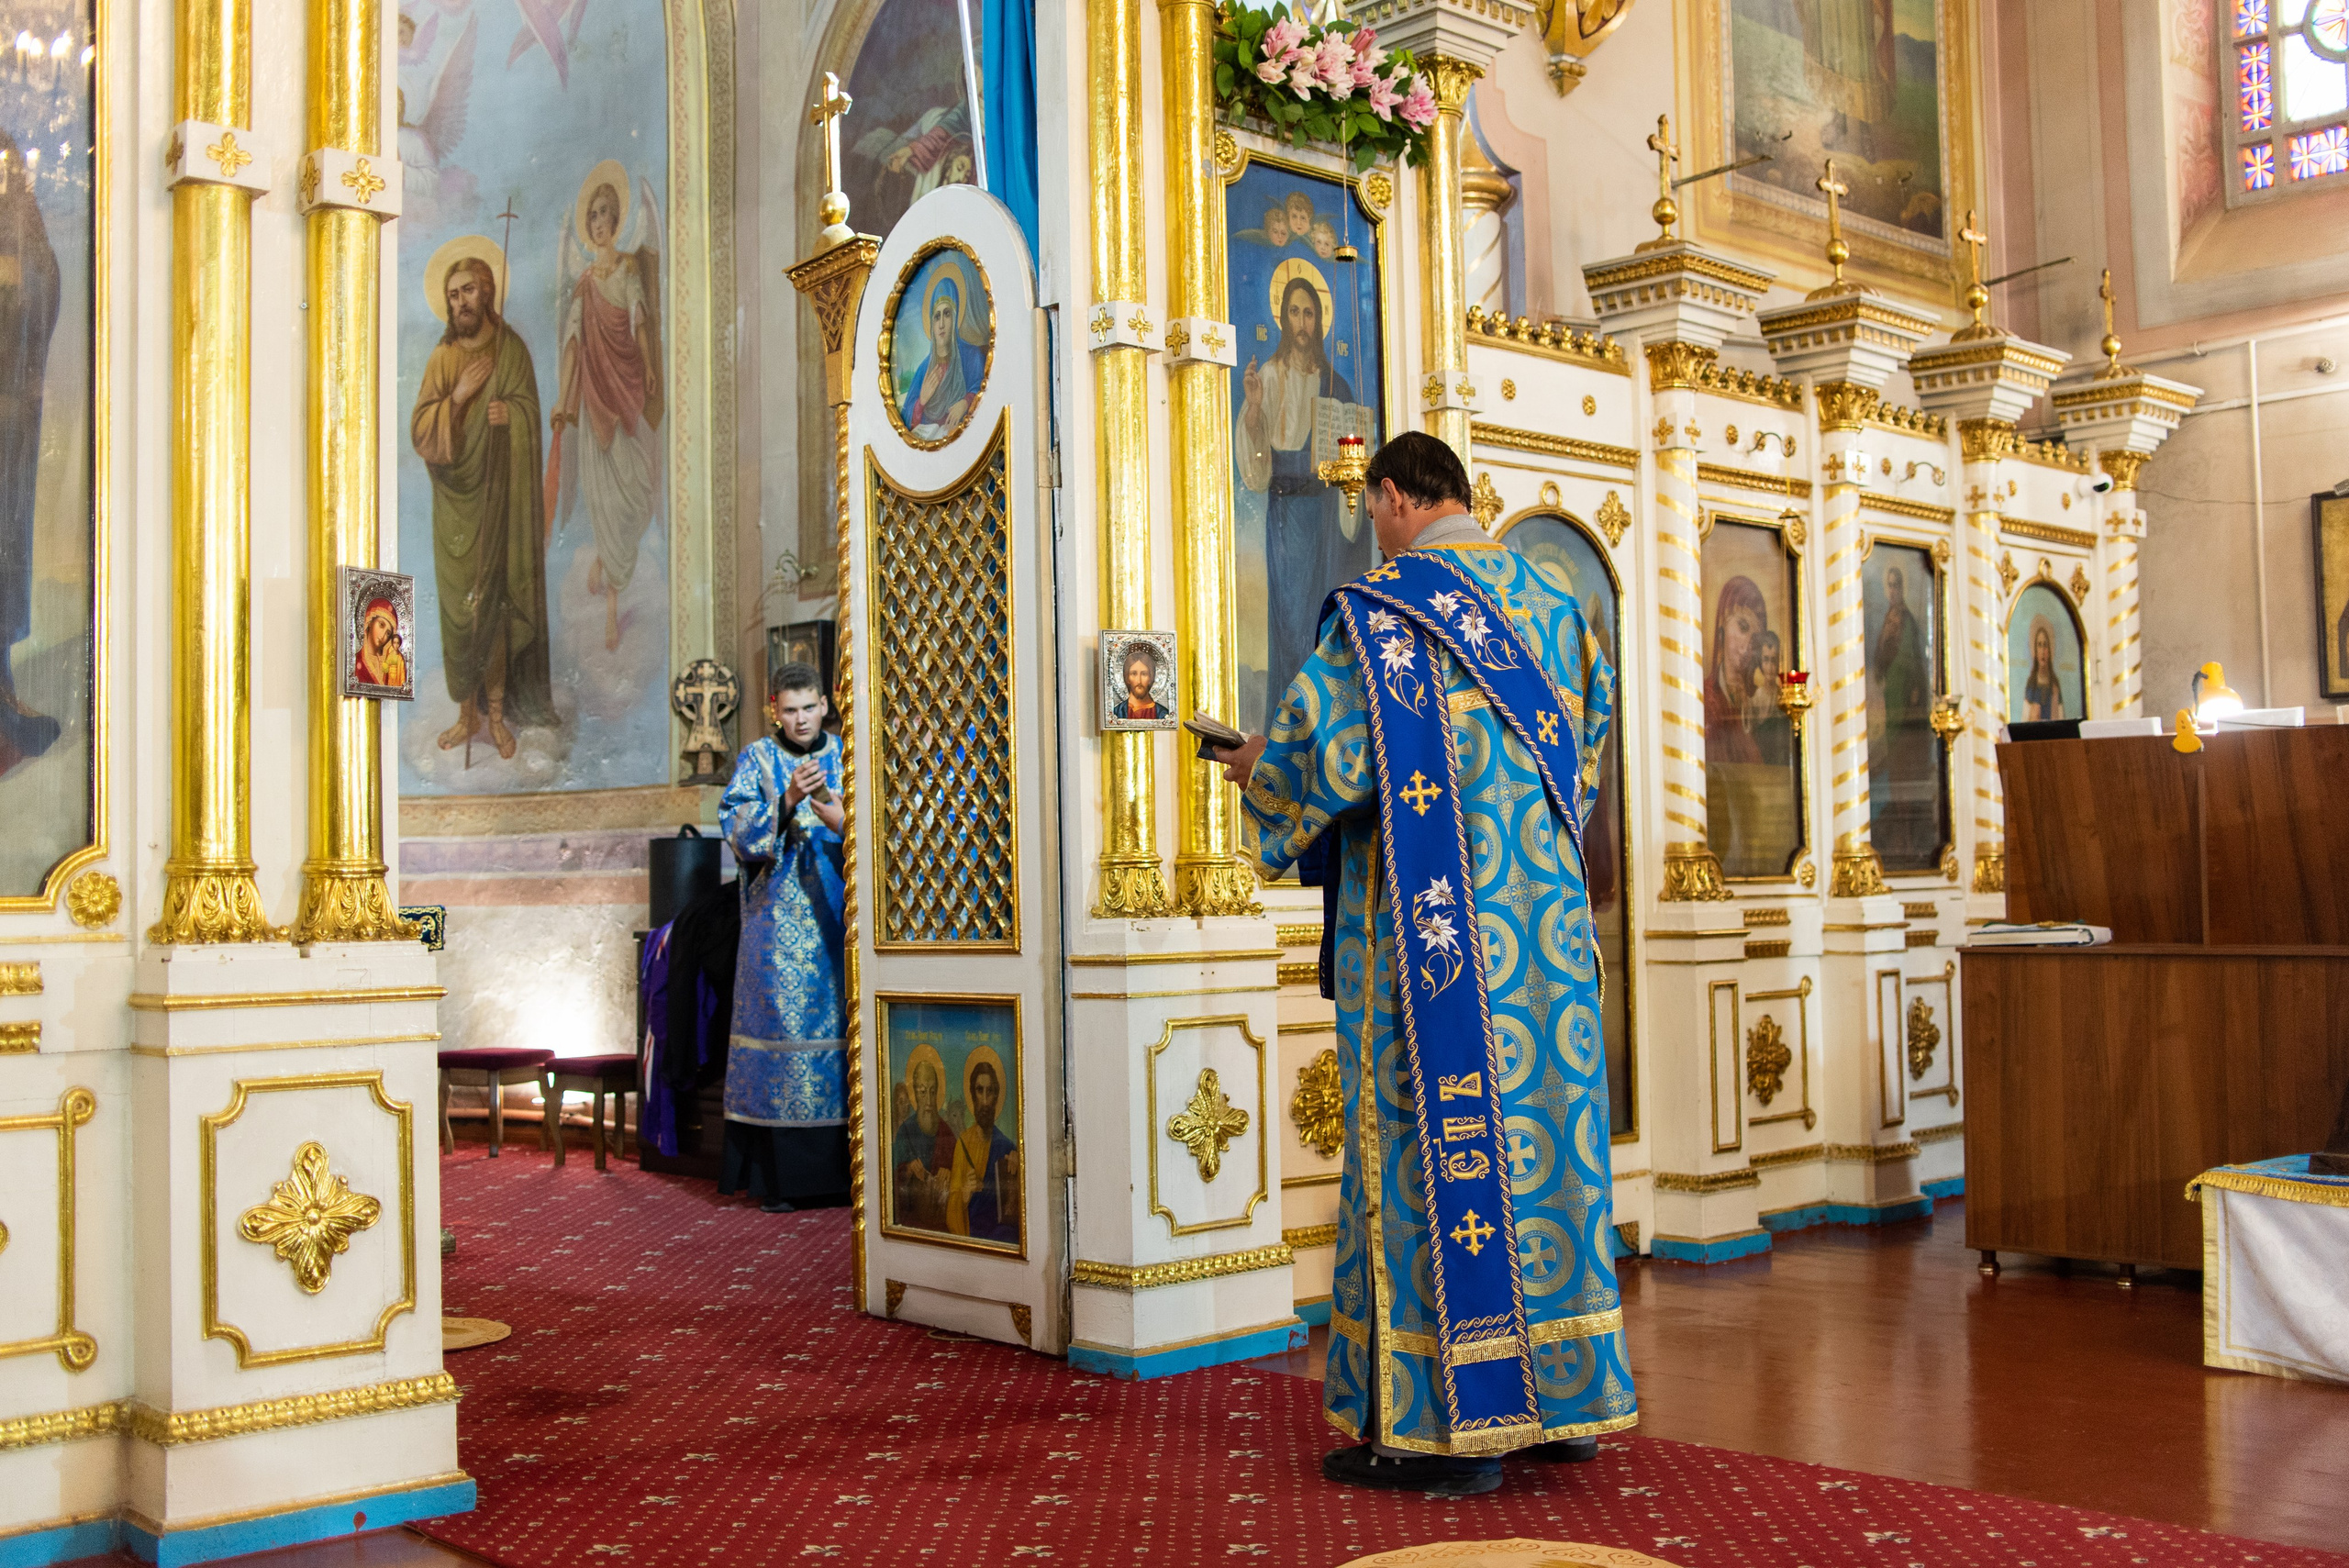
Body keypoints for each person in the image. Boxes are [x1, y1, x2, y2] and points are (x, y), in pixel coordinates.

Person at [1216, 430, 1632, 1496]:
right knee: (1547, 1158)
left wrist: (1256, 764)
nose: (1376, 533)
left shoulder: (1384, 617)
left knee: (1422, 1160)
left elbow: (1323, 759)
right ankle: (1562, 1404)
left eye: (1375, 511)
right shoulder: (1557, 606)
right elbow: (1581, 766)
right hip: (1545, 951)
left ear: (1395, 497)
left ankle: (1447, 1428)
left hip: (1429, 946)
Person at [410, 251, 557, 760]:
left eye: (468, 290)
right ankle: (465, 715)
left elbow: (530, 416)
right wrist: (457, 398)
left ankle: (494, 715)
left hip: (500, 501)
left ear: (487, 291)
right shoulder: (442, 359)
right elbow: (421, 432)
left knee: (493, 609)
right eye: (452, 295)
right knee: (459, 612)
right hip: (456, 507)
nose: (460, 302)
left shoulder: (510, 351)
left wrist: (510, 415)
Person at [718, 662, 849, 1212]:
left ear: (825, 705)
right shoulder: (757, 759)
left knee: (846, 1037)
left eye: (809, 707)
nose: (800, 720)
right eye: (789, 710)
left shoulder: (848, 753)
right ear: (776, 709)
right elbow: (737, 830)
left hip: (840, 924)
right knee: (786, 1038)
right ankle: (785, 1183)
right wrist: (788, 800)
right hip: (776, 934)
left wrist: (842, 821)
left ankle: (846, 1178)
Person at [1238, 269, 1370, 729]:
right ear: (1282, 317)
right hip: (1284, 515)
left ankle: (1319, 721)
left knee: (1317, 616)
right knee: (1289, 618)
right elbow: (1256, 462)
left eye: (1309, 313)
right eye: (1294, 312)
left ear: (1319, 321)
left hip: (1321, 517)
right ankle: (1286, 724)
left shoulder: (1336, 385)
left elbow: (1354, 463)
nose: (1301, 322)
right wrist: (1255, 408)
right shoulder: (1269, 376)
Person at [551, 171, 664, 653]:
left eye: (605, 215)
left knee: (637, 491)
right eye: (592, 216)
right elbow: (573, 343)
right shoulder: (583, 283)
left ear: (617, 221)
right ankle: (613, 606)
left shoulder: (628, 269)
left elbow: (639, 320)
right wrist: (564, 399)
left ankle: (611, 566)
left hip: (627, 388)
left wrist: (651, 366)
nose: (598, 223)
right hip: (594, 399)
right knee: (603, 498)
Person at [0, 127, 61, 773]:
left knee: (5, 549)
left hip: (8, 429)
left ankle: (3, 697)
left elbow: (44, 281)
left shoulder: (24, 231)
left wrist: (18, 275)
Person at [900, 272, 986, 440]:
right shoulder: (924, 370)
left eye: (947, 314)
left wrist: (966, 402)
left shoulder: (972, 356)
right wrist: (921, 401)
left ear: (955, 317)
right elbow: (905, 421)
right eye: (936, 316)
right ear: (931, 323)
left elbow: (984, 390)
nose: (941, 324)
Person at [945, 1048, 1019, 1243]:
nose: (985, 1101)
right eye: (980, 1090)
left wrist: (1019, 1171)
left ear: (997, 1096)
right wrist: (965, 1195)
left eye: (990, 1091)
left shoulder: (1007, 1147)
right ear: (972, 1094)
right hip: (973, 1241)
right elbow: (952, 1211)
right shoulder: (963, 1144)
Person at [891, 1051, 956, 1231]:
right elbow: (892, 1180)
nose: (928, 1100)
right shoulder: (906, 1131)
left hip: (941, 1218)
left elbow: (961, 1178)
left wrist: (950, 1174)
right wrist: (908, 1170)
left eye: (932, 1092)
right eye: (922, 1092)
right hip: (912, 1218)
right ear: (915, 1094)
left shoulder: (946, 1132)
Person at [354, 597, 408, 688]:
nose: (383, 635)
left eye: (388, 633)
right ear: (370, 621)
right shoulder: (356, 661)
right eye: (381, 625)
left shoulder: (390, 664)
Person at [2021, 617, 2064, 721]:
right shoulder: (2032, 684)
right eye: (2039, 645)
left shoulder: (2054, 686)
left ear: (2049, 650)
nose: (2042, 651)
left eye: (2045, 645)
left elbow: (2061, 720)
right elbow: (2024, 721)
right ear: (2035, 650)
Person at [1111, 645, 1161, 720]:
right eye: (1134, 674)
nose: (1139, 681)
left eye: (1144, 674)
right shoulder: (1117, 713)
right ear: (1127, 677)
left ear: (1151, 678)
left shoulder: (1162, 714)